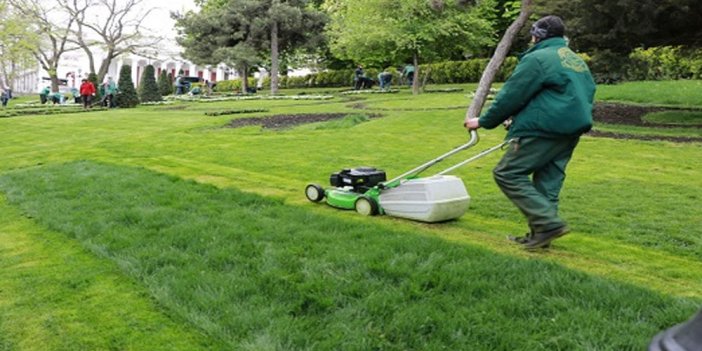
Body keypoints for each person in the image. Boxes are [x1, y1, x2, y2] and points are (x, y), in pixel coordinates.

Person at [464, 15, 596, 250]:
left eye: (533, 34)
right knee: (548, 182)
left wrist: (483, 121)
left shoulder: (538, 59)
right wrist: (518, 117)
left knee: (507, 173)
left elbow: (512, 94)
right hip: (570, 130)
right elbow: (568, 95)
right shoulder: (574, 60)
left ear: (538, 36)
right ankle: (541, 236)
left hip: (543, 129)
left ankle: (548, 223)